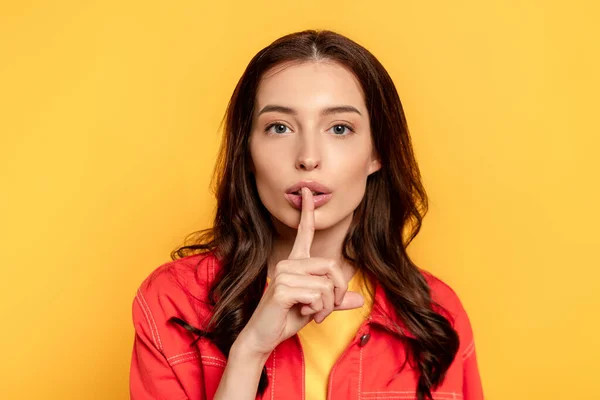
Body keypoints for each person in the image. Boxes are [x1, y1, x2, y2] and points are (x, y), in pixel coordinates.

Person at [129, 29, 484, 400]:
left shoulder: (437, 314)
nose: (308, 156)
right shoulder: (173, 300)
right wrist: (249, 352)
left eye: (340, 128)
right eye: (279, 127)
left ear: (376, 153)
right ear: (247, 152)